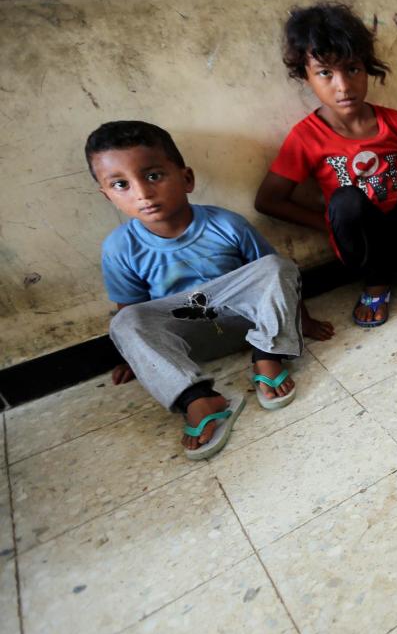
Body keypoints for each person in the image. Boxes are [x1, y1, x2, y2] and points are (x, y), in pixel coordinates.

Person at [90, 120, 327, 459]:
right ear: (108, 195)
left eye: (153, 176)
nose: (142, 193)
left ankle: (268, 357)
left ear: (186, 178)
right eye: (121, 184)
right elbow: (132, 309)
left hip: (249, 324)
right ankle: (199, 399)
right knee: (124, 323)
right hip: (187, 340)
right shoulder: (118, 248)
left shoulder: (226, 224)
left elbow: (277, 282)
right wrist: (140, 356)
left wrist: (301, 319)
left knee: (278, 266)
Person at [255, 2, 397, 328]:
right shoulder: (306, 137)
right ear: (306, 77)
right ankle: (376, 282)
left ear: (367, 68)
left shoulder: (393, 121)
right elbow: (268, 200)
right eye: (325, 73)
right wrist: (329, 222)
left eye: (352, 69)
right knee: (345, 201)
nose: (343, 86)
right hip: (362, 243)